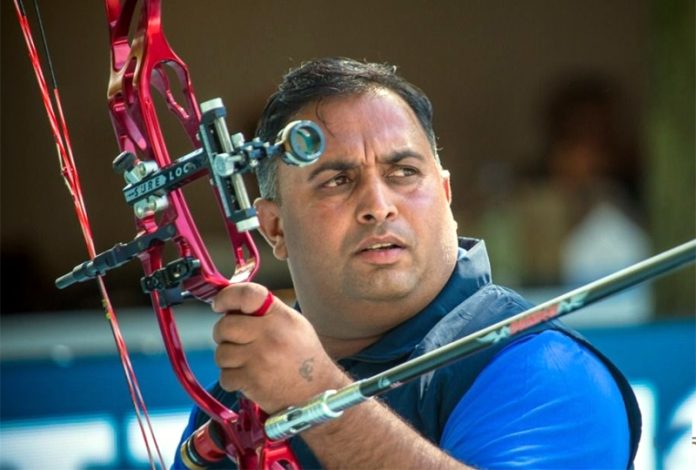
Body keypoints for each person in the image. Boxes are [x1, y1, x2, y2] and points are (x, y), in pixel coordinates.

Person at [173, 58, 641, 469]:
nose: (379, 205)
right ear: (274, 228)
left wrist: (313, 395)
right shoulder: (239, 399)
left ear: (446, 195)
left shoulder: (541, 364)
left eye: (404, 173)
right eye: (337, 180)